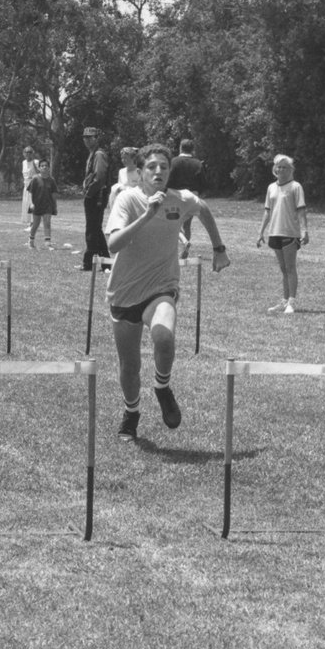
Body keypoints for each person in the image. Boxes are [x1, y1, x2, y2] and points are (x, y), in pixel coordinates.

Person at [104, 142, 230, 440]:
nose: (158, 171)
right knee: (130, 366)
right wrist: (148, 215)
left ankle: (162, 387)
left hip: (162, 287)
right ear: (141, 172)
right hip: (123, 293)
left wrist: (219, 248)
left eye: (164, 166)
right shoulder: (127, 200)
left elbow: (203, 209)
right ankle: (131, 413)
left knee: (163, 334)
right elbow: (113, 244)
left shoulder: (180, 199)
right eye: (151, 167)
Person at [256, 154, 309, 315]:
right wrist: (261, 232)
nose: (280, 169)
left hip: (290, 232)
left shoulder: (295, 187)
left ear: (290, 170)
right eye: (278, 166)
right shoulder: (271, 187)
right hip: (275, 232)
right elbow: (267, 211)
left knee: (291, 268)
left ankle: (291, 301)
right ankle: (284, 301)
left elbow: (301, 210)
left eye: (284, 167)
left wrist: (304, 230)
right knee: (283, 269)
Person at [80, 127, 112, 272]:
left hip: (96, 196)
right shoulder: (92, 154)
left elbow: (99, 178)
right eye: (85, 137)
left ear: (96, 138)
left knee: (92, 231)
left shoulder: (99, 154)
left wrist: (89, 192)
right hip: (93, 195)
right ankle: (106, 262)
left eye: (90, 137)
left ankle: (88, 263)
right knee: (95, 230)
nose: (87, 140)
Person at [168, 139, 205, 257]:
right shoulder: (198, 163)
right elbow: (203, 181)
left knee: (173, 223)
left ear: (180, 148)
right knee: (187, 225)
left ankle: (178, 246)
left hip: (176, 195)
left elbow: (169, 179)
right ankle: (185, 250)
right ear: (192, 149)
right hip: (192, 196)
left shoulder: (173, 162)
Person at [26, 158, 58, 249]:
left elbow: (54, 194)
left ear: (49, 168)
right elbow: (30, 192)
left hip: (48, 205)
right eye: (42, 166)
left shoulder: (52, 180)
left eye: (46, 166)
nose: (44, 167)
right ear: (39, 168)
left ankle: (48, 243)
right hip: (37, 204)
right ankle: (31, 241)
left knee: (47, 222)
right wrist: (31, 203)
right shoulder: (35, 179)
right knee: (36, 223)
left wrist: (54, 206)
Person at [20, 146, 39, 225]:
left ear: (32, 153)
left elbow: (39, 173)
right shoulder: (23, 162)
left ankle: (33, 223)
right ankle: (29, 222)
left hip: (34, 186)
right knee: (26, 204)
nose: (28, 154)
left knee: (32, 204)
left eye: (30, 152)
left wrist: (34, 165)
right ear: (24, 154)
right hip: (26, 186)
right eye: (26, 152)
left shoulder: (36, 162)